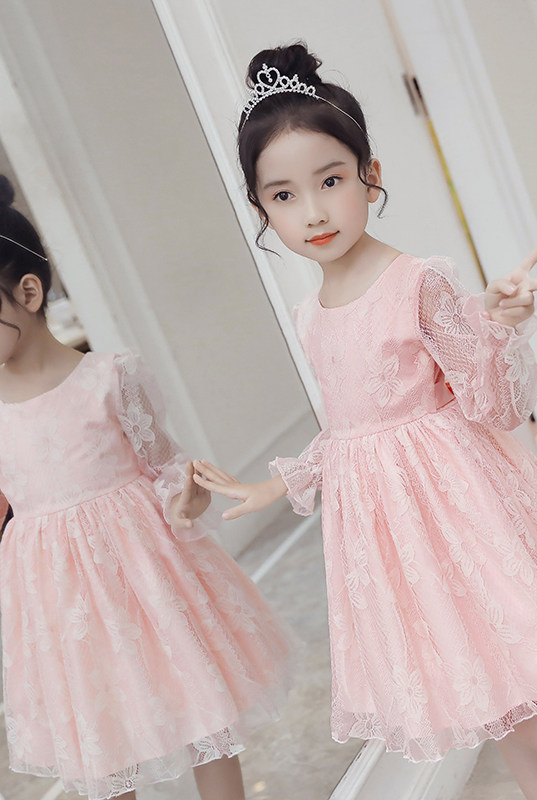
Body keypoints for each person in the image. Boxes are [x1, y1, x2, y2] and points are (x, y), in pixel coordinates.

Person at [195, 43, 537, 800]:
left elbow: (494, 405)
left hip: (459, 518)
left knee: (533, 710)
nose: (313, 211)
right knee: (496, 709)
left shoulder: (417, 282)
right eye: (283, 195)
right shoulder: (311, 314)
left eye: (331, 181)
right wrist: (276, 486)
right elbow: (352, 432)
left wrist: (499, 325)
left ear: (370, 176)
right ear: (261, 209)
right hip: (394, 541)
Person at [0, 175, 291, 800]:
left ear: (27, 292)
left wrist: (186, 499)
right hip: (56, 592)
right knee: (101, 725)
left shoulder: (108, 377)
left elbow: (164, 467)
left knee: (202, 702)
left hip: (145, 570)